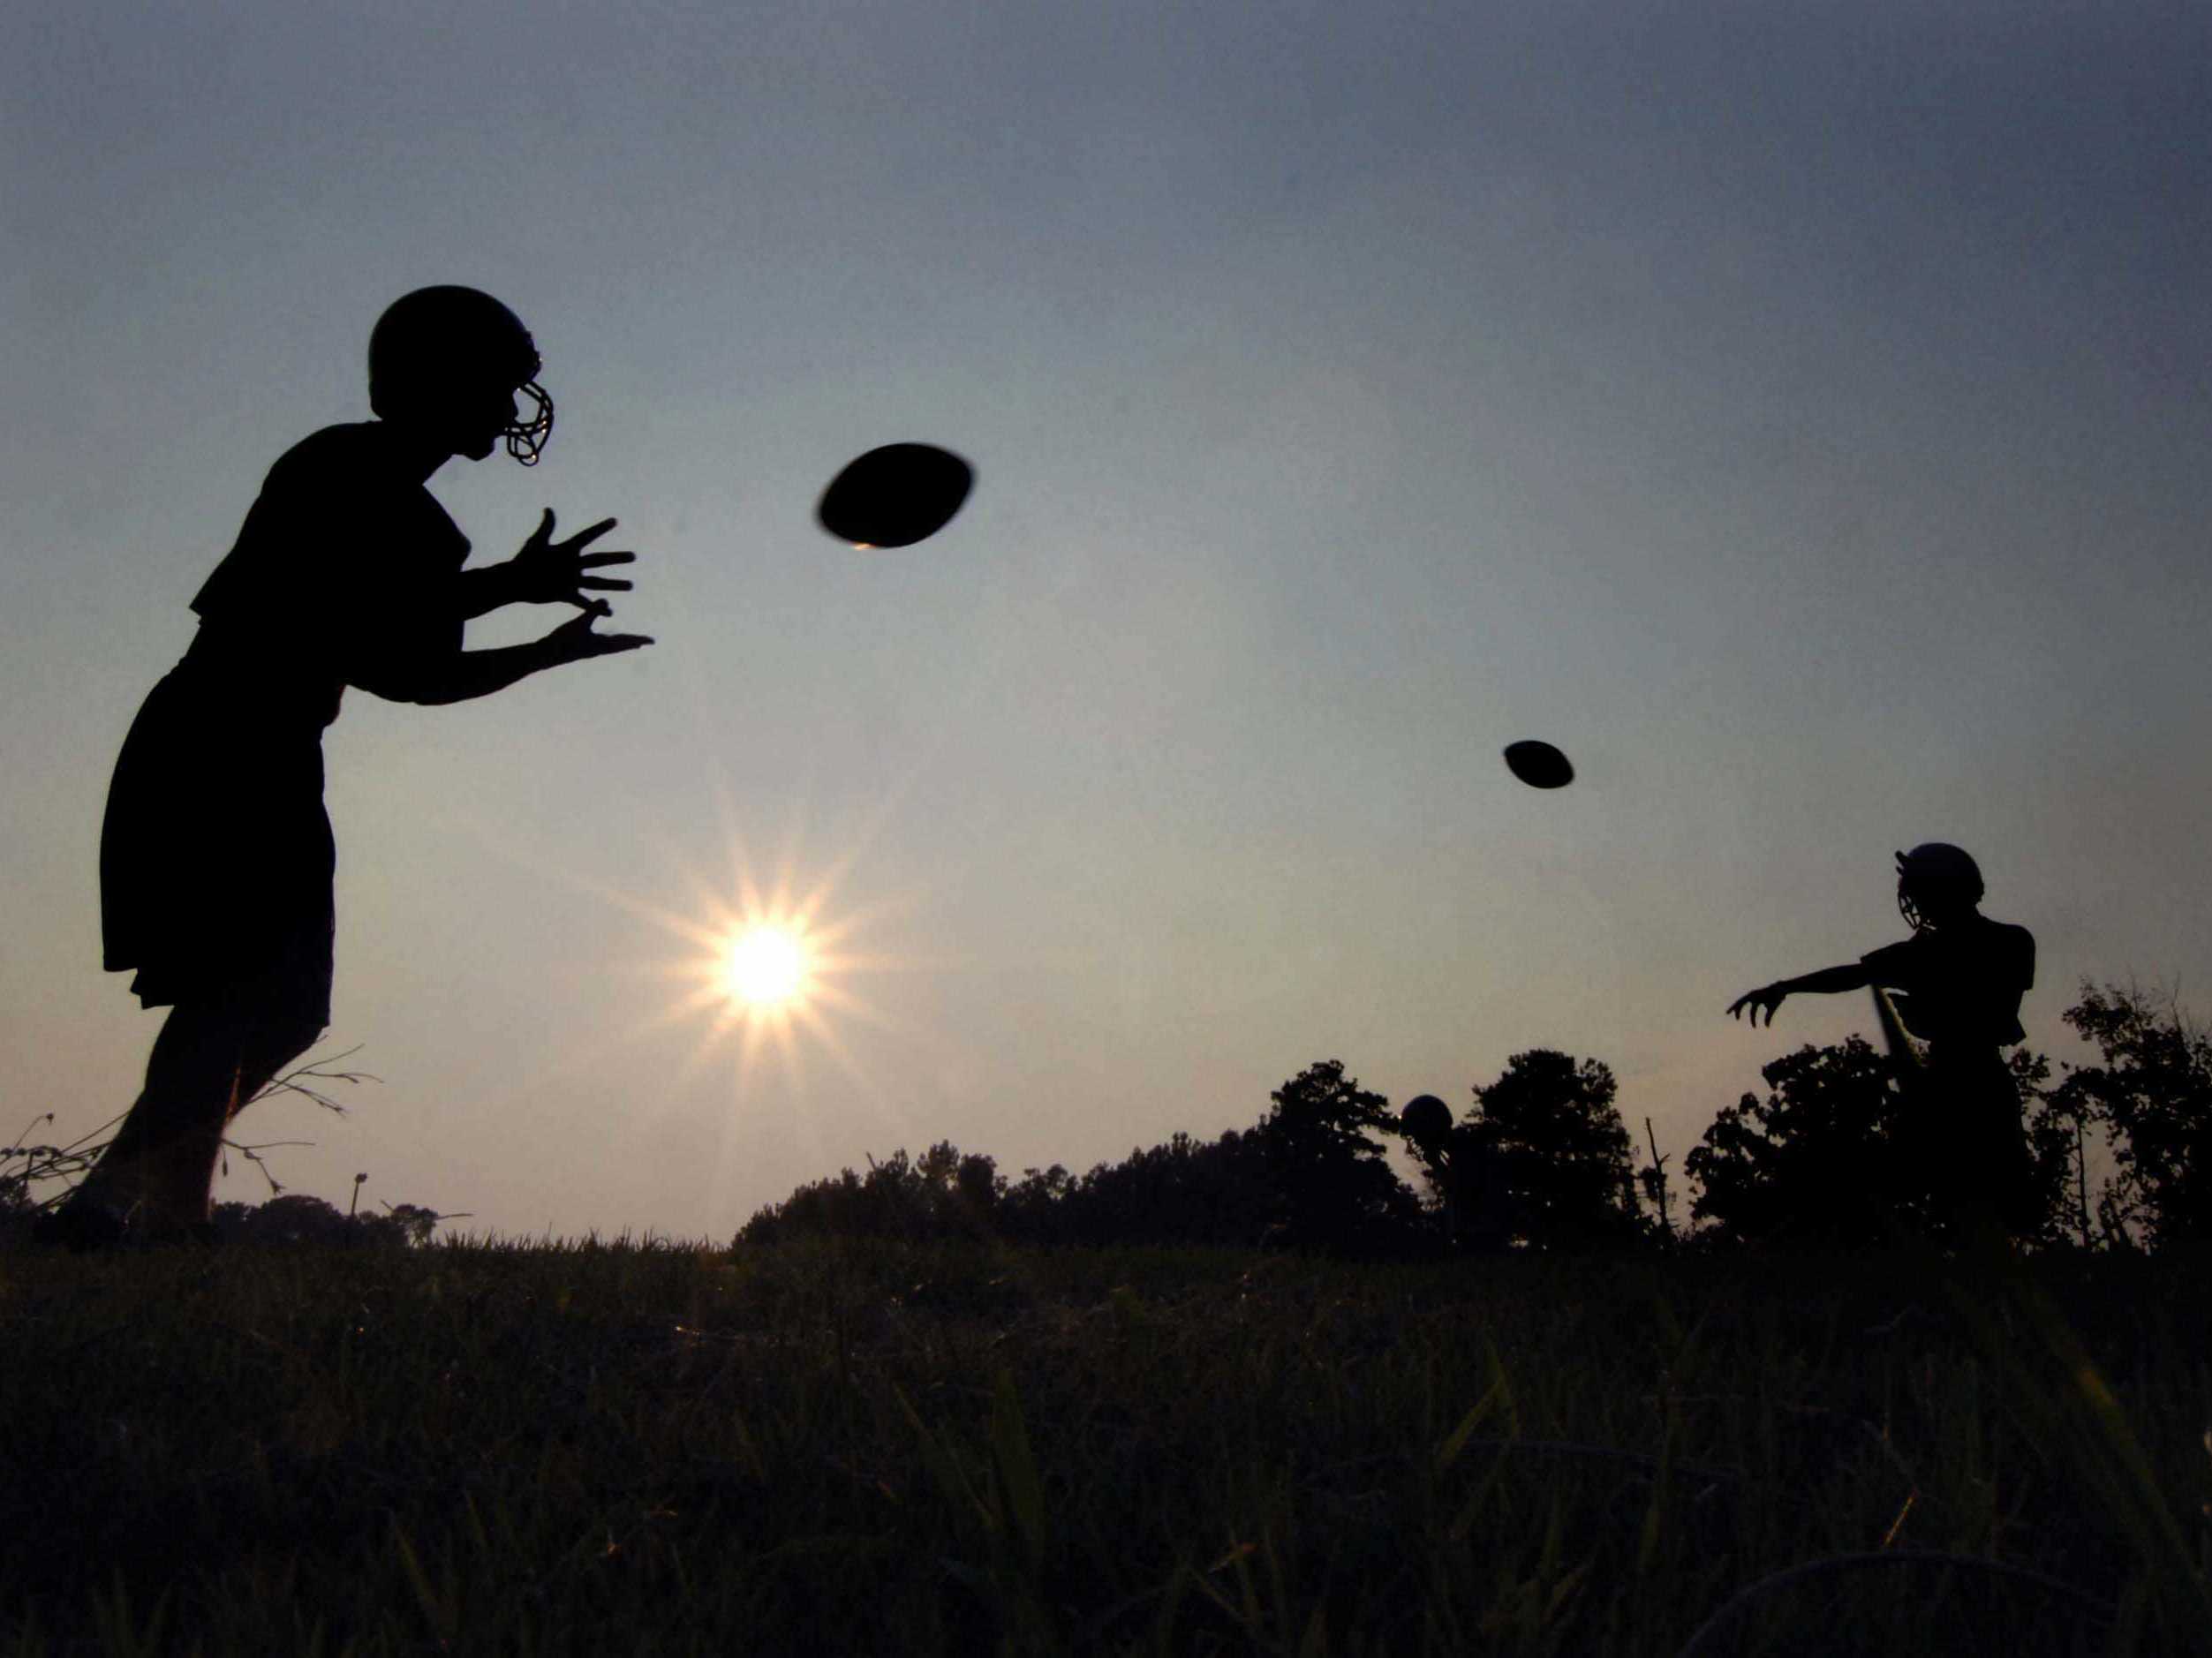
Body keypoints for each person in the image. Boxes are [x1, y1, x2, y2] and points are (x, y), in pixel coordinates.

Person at [41, 287, 652, 1247]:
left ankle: (149, 1212)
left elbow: (418, 676)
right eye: (498, 382)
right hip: (220, 735)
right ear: (441, 380)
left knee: (285, 1010)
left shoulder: (432, 532)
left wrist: (540, 647)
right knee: (232, 990)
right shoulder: (335, 464)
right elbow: (346, 619)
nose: (512, 405)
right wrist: (507, 590)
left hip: (277, 754)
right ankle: (123, 1211)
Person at [1726, 843, 2038, 1240]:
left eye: (1922, 892)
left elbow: (1986, 1013)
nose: (1917, 904)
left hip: (1964, 1083)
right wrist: (1786, 987)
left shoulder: (1984, 945)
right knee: (1944, 1200)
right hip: (1962, 1080)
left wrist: (1928, 1009)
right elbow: (1854, 975)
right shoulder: (1988, 943)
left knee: (1985, 1205)